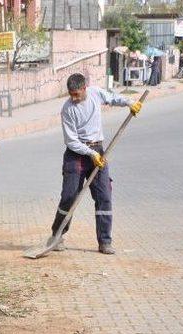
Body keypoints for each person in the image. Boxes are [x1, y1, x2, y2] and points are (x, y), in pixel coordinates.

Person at [48, 73, 142, 254]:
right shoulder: (67, 109)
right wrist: (90, 153)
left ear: (85, 88)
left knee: (104, 196)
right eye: (71, 94)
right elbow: (71, 141)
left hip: (98, 150)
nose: (74, 98)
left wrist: (130, 103)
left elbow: (112, 98)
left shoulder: (95, 93)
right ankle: (56, 235)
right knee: (69, 197)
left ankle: (105, 241)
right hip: (76, 154)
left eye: (77, 94)